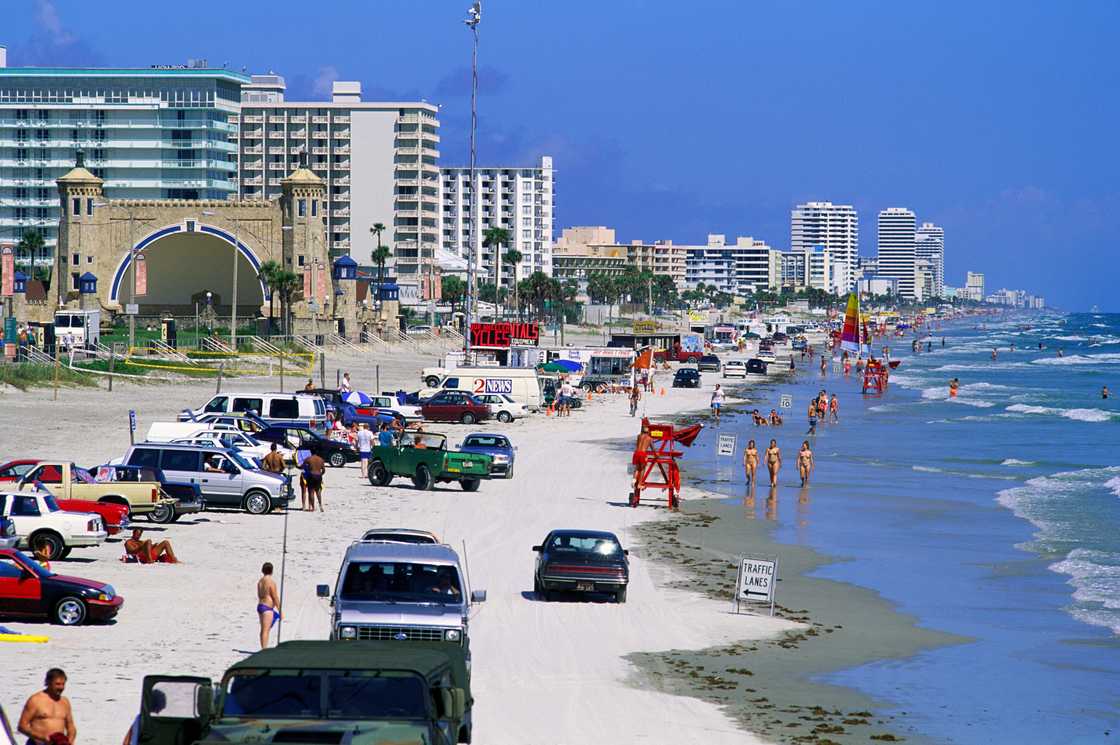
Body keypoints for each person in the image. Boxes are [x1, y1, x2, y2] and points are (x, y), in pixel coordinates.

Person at [19, 669, 76, 745]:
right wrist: (42, 737)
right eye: (58, 684)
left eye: (63, 684)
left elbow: (71, 727)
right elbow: (22, 726)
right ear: (48, 682)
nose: (61, 687)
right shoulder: (35, 700)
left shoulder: (65, 702)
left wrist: (69, 741)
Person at [255, 562, 281, 649]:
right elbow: (275, 597)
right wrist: (280, 610)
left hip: (260, 606)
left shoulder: (260, 582)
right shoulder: (271, 582)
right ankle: (264, 649)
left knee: (263, 629)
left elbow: (259, 594)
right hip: (267, 608)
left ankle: (263, 647)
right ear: (271, 571)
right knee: (266, 630)